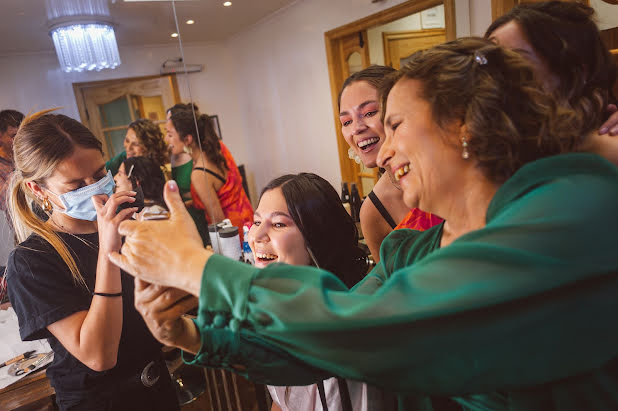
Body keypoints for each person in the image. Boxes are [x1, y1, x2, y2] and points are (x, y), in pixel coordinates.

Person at [112, 38, 618, 410]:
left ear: (463, 121)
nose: (384, 148)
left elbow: (360, 331)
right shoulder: (412, 250)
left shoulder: (569, 210)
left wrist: (197, 266)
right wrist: (195, 338)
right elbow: (330, 341)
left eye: (393, 123)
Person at [5, 110, 179, 410]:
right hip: (101, 401)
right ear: (38, 190)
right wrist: (109, 246)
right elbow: (99, 354)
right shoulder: (31, 261)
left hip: (157, 388)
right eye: (76, 186)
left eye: (99, 175)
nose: (94, 190)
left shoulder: (130, 221)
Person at [485, 1, 618, 165]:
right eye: (490, 60)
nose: (495, 74)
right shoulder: (489, 139)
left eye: (514, 61)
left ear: (574, 72)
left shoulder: (605, 151)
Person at [339, 67, 441, 261]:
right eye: (346, 122)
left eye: (369, 113)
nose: (356, 129)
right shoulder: (372, 212)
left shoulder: (451, 167)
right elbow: (392, 283)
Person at [166, 107, 253, 241]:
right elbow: (223, 192)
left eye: (170, 135)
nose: (167, 140)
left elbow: (218, 221)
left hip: (235, 236)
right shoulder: (218, 148)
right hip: (248, 220)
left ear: (188, 139)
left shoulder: (199, 174)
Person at [166, 103, 209, 245]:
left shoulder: (200, 164)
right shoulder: (173, 154)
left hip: (203, 220)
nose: (167, 139)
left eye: (170, 133)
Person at [114, 156, 168, 221]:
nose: (115, 178)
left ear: (136, 181)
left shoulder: (155, 214)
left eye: (120, 174)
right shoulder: (134, 212)